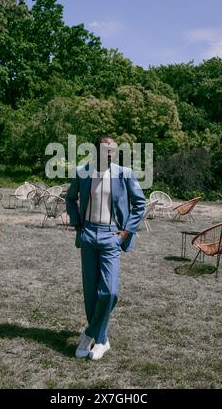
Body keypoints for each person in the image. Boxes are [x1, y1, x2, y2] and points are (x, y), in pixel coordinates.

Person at [66, 134, 146, 360]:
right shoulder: (83, 172)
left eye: (113, 150)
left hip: (112, 235)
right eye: (105, 150)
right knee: (91, 292)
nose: (109, 153)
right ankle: (102, 340)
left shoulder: (124, 173)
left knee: (109, 291)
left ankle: (89, 333)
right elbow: (70, 199)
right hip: (88, 234)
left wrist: (125, 232)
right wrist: (77, 225)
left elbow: (140, 204)